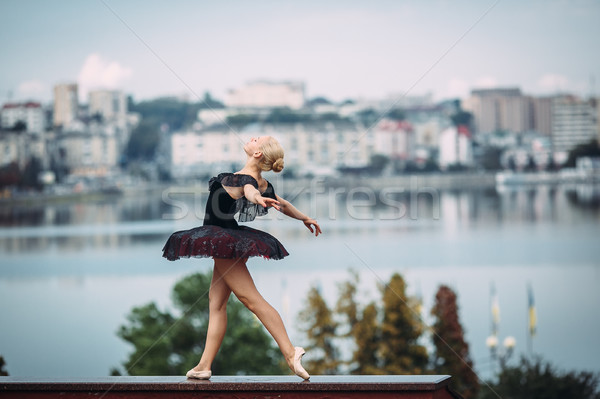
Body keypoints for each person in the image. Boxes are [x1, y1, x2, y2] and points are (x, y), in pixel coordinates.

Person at [162, 136, 322, 380]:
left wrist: (257, 198)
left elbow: (249, 192)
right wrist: (305, 218)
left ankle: (290, 353)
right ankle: (204, 366)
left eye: (258, 140)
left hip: (224, 242)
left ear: (258, 154)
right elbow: (283, 203)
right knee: (217, 304)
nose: (252, 139)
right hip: (228, 240)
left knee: (251, 299)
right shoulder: (260, 181)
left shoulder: (245, 179)